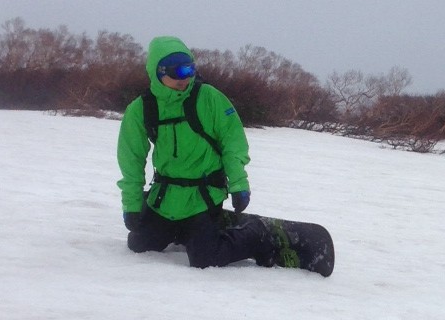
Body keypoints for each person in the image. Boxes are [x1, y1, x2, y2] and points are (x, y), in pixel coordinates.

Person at [117, 36, 334, 275]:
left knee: (205, 259)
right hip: (166, 197)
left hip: (204, 197)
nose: (185, 78)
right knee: (139, 244)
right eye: (178, 73)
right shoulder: (141, 109)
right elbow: (131, 160)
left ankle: (256, 233)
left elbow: (233, 143)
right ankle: (185, 229)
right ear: (158, 73)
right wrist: (132, 204)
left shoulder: (209, 98)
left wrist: (238, 184)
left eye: (190, 70)